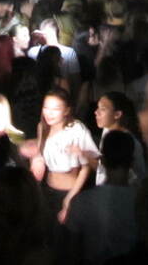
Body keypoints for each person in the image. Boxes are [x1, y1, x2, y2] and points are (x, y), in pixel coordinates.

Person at [63, 130, 139, 264]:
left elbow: (72, 249)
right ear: (132, 162)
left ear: (102, 161)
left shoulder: (82, 201)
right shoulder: (142, 201)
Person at [29, 87, 99, 223]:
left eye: (55, 109)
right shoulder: (42, 127)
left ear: (66, 110)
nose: (49, 113)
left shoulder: (76, 129)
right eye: (46, 108)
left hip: (70, 191)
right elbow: (39, 155)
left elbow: (87, 167)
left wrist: (70, 198)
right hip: (47, 190)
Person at [93, 91, 146, 186]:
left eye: (103, 109)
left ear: (117, 114)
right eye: (97, 108)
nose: (96, 112)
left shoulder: (129, 142)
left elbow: (135, 177)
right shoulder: (106, 130)